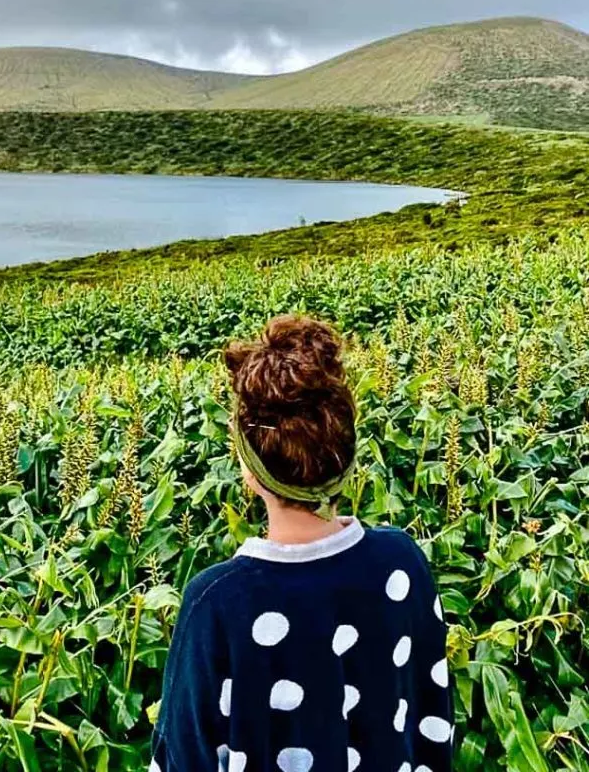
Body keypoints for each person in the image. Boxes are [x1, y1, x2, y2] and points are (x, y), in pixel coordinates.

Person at [150, 315, 453, 772]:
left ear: (250, 470)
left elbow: (181, 759)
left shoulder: (216, 605)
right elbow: (433, 722)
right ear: (347, 454)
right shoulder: (403, 562)